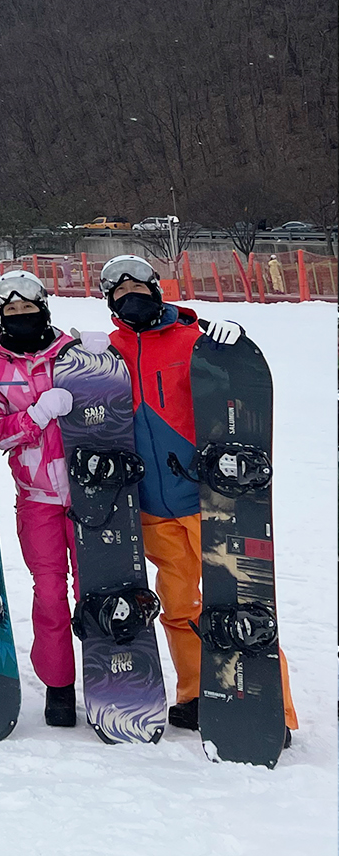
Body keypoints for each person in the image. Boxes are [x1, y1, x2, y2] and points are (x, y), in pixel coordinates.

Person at [83, 254, 298, 736]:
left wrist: (229, 345)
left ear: (156, 291)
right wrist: (79, 358)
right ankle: (198, 693)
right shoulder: (109, 351)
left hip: (208, 503)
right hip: (151, 507)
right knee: (179, 607)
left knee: (241, 604)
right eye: (120, 293)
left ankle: (271, 707)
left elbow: (233, 391)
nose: (131, 298)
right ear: (109, 302)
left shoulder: (192, 340)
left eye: (138, 288)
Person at [0, 270, 80, 726]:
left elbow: (112, 405)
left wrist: (103, 363)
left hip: (89, 491)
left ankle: (111, 677)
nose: (21, 315)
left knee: (96, 588)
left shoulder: (73, 354)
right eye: (12, 310)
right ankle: (59, 685)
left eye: (28, 308)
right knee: (51, 593)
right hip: (37, 496)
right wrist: (36, 416)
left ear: (43, 308)